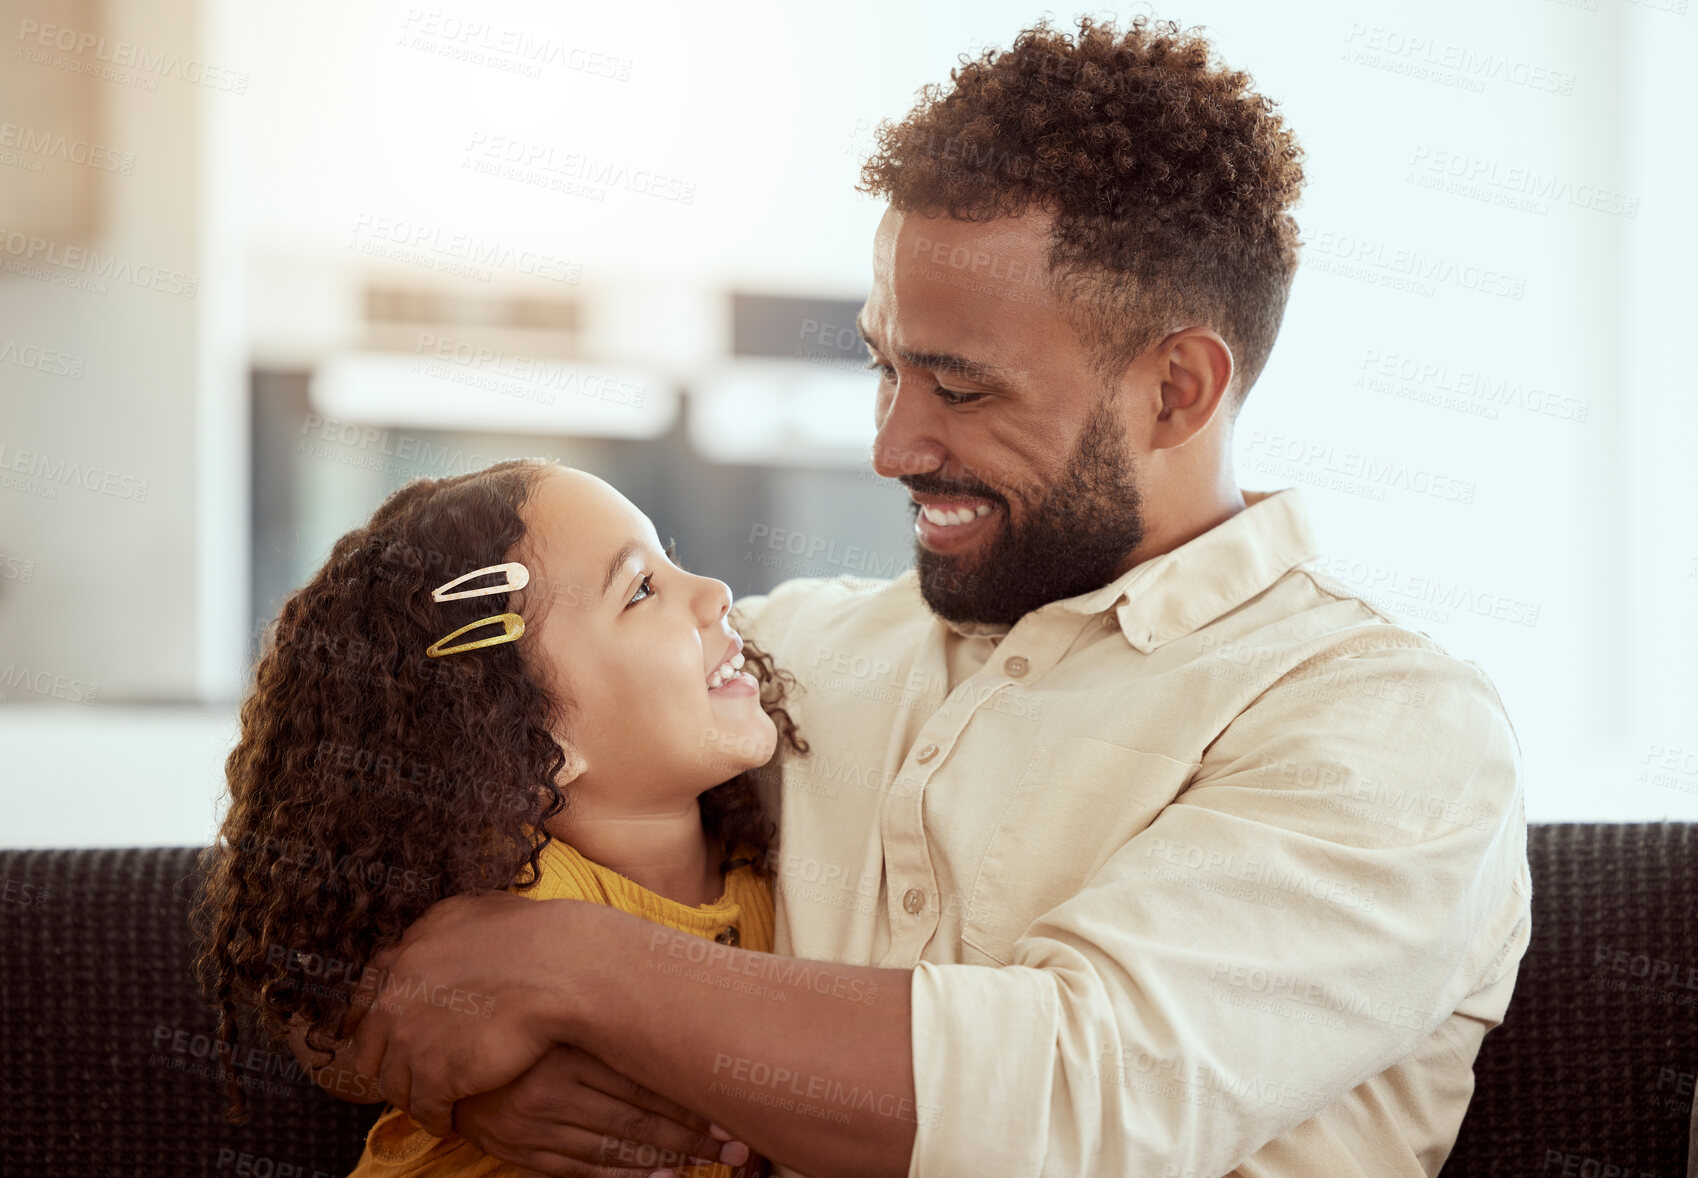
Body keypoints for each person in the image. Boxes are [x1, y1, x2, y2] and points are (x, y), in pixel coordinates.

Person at [307, 14, 1532, 1177]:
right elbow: (332, 864)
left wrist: (572, 968)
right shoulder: (782, 659)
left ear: (1177, 390)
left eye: (959, 387)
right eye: (886, 366)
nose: (893, 445)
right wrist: (460, 1076)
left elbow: (1065, 1102)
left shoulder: (1388, 727)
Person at [193, 459, 807, 1177]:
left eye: (673, 562)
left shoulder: (763, 866)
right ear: (538, 739)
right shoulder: (514, 919)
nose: (716, 594)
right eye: (642, 589)